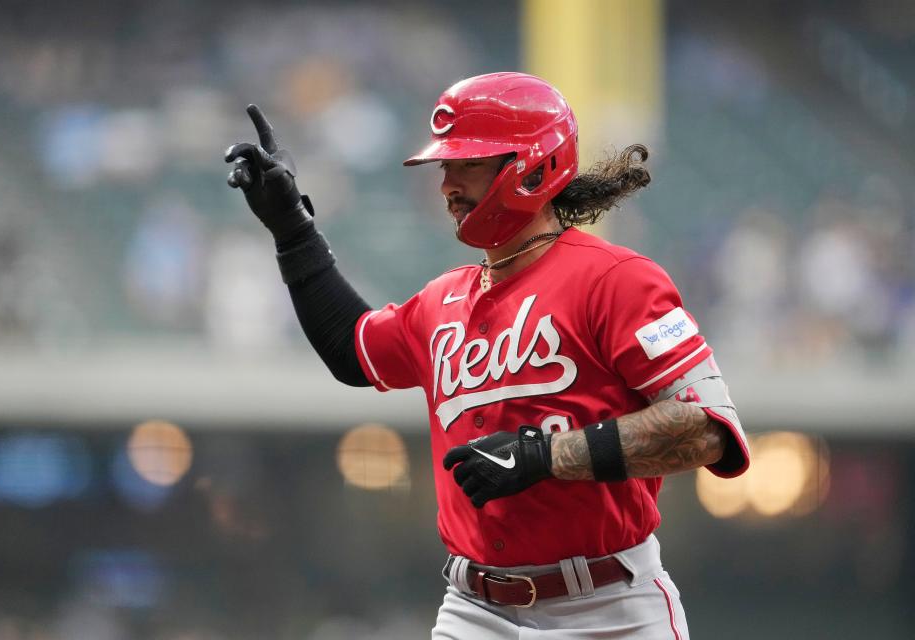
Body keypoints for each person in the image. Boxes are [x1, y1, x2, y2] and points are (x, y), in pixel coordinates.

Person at [225, 72, 749, 639]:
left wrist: (546, 455)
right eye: (444, 167)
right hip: (475, 611)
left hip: (609, 609)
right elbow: (352, 351)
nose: (447, 185)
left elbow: (707, 430)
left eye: (466, 165)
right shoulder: (442, 299)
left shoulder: (617, 280)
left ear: (532, 164)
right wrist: (290, 227)